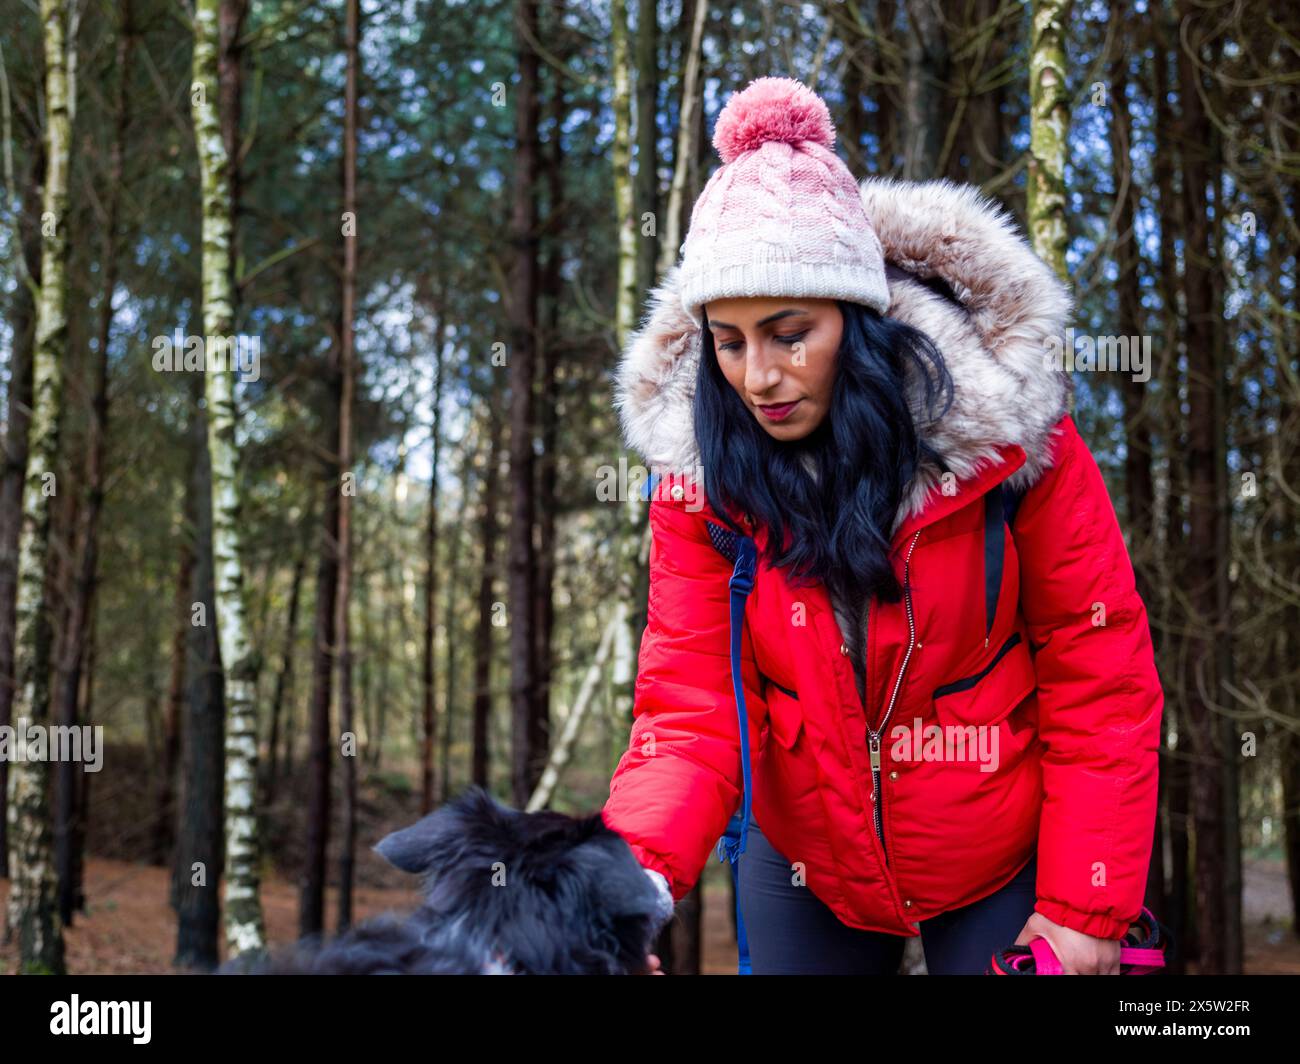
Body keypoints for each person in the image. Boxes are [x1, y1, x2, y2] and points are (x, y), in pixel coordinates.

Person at [601, 76, 1163, 975]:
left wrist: (1085, 904)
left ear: (858, 323)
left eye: (790, 333)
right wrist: (628, 890)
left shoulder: (1011, 449)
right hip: (803, 862)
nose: (759, 377)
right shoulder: (699, 486)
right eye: (730, 341)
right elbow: (690, 707)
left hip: (997, 853)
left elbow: (1098, 668)